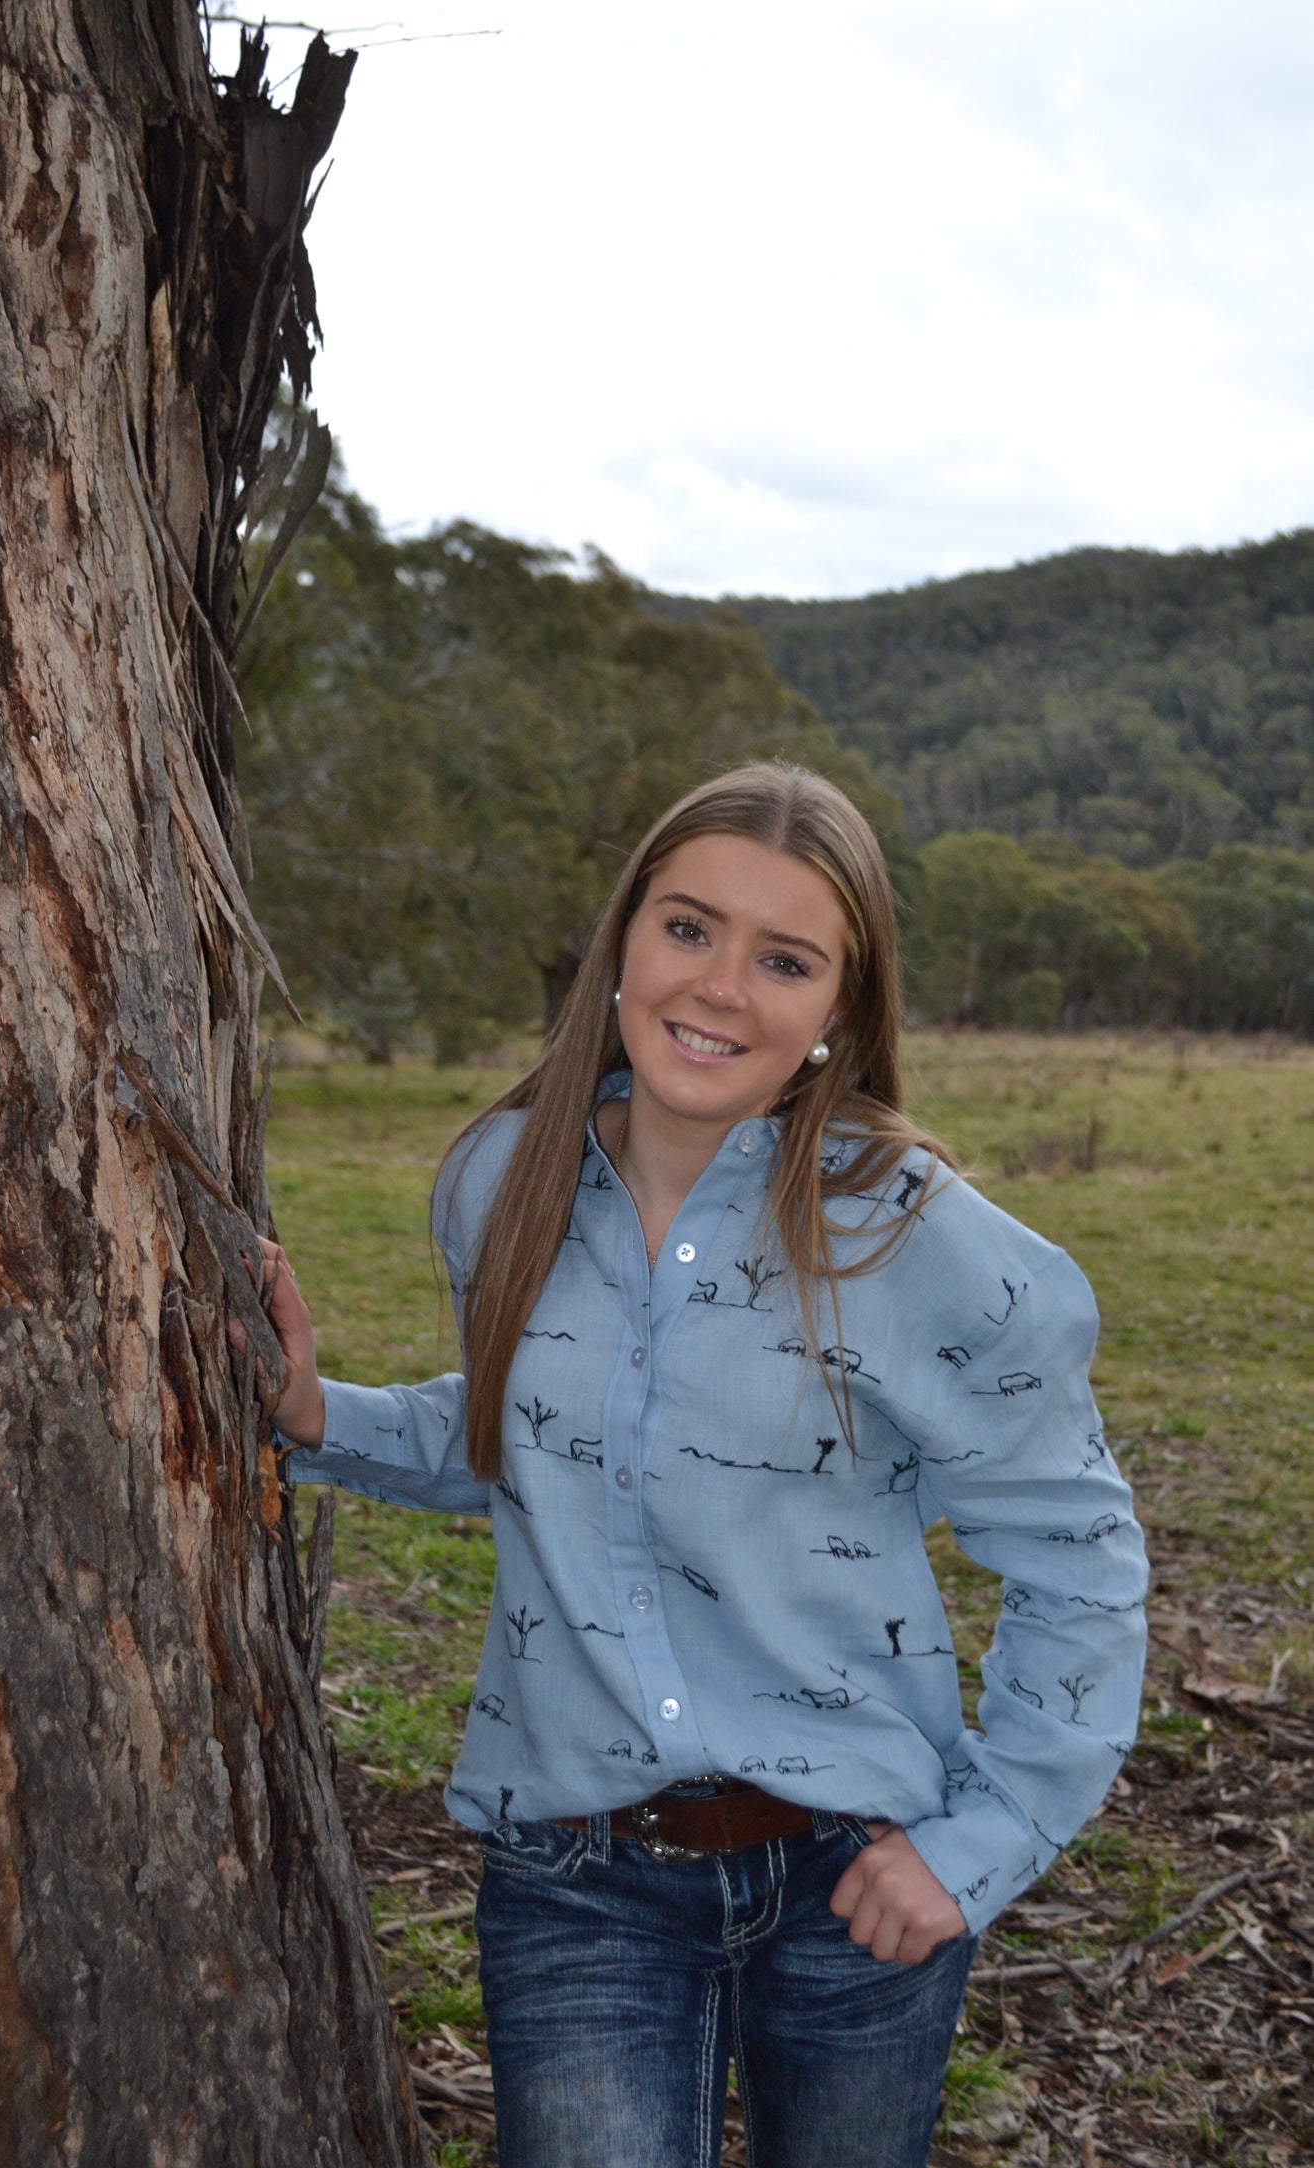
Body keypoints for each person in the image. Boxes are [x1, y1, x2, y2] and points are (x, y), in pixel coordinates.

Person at [238, 763, 1148, 2168]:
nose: (720, 987)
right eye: (688, 929)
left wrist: (990, 1836)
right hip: (576, 1873)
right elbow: (533, 1446)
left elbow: (1076, 1559)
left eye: (782, 959)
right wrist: (320, 1416)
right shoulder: (502, 1181)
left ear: (837, 1009)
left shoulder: (908, 1239)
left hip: (856, 1874)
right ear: (622, 943)